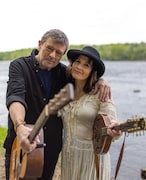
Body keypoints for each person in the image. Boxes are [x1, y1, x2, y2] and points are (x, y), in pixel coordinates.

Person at [3, 29, 111, 180]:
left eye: (59, 53)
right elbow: (15, 96)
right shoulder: (19, 66)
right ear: (40, 44)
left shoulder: (64, 73)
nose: (53, 55)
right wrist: (20, 126)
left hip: (50, 151)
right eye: (49, 48)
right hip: (19, 145)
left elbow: (85, 78)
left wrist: (101, 80)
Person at [58, 46, 122, 180]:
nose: (79, 67)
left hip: (92, 160)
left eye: (86, 65)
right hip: (69, 156)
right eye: (77, 62)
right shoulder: (65, 88)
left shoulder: (101, 93)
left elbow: (111, 125)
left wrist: (114, 131)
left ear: (93, 71)